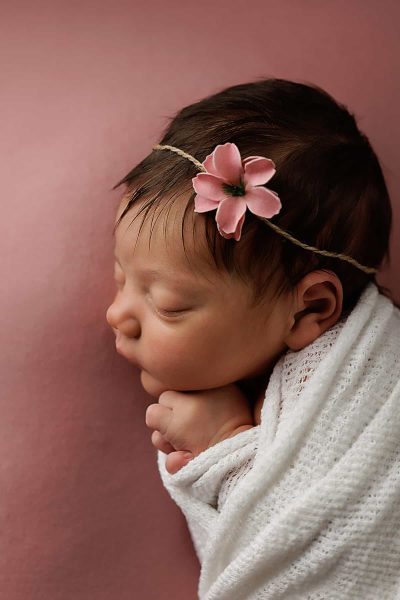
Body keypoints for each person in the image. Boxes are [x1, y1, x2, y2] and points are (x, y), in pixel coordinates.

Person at [106, 78, 400, 598]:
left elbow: (325, 542)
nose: (117, 315)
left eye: (169, 305)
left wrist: (224, 446)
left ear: (310, 309)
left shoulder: (363, 393)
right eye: (119, 276)